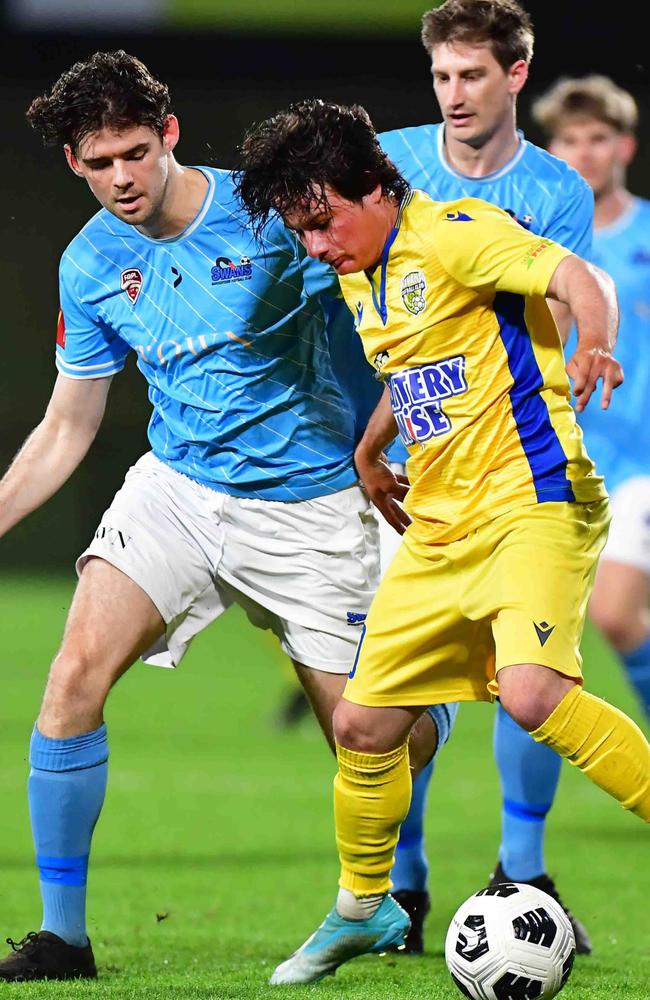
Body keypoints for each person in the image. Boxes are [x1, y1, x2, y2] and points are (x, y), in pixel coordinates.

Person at [0, 51, 451, 983]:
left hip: (309, 507)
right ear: (75, 165)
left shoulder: (271, 209)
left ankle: (406, 834)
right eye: (98, 163)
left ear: (168, 134)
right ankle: (62, 937)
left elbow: (399, 303)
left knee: (379, 738)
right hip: (178, 491)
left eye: (134, 151)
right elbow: (66, 425)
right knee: (72, 676)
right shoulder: (88, 263)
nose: (120, 177)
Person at [234, 96, 650, 986]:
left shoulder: (458, 231)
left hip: (533, 505)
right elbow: (418, 362)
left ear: (375, 189)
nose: (315, 246)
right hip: (441, 529)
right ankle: (364, 907)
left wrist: (595, 342)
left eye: (321, 222)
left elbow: (582, 280)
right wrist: (372, 447)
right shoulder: (359, 265)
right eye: (301, 231)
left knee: (534, 695)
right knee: (362, 722)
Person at [368, 0, 599, 954]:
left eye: (471, 75)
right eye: (440, 77)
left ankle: (522, 869)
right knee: (395, 696)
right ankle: (405, 890)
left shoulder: (556, 192)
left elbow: (551, 311)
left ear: (517, 75)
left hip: (509, 471)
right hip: (405, 468)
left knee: (525, 675)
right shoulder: (388, 164)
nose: (453, 95)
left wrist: (599, 348)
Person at [531, 75, 650, 723]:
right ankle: (523, 827)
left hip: (637, 463)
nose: (585, 152)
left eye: (598, 138)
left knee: (614, 613)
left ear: (624, 147)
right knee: (536, 642)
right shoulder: (537, 244)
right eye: (570, 140)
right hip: (555, 461)